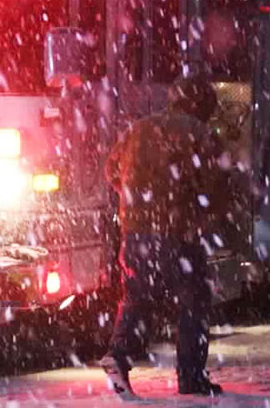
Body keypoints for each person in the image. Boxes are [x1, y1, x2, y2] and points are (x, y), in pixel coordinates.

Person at [101, 75, 226, 397]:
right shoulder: (199, 133)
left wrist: (135, 199)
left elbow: (111, 171)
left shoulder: (138, 128)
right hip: (177, 232)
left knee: (138, 297)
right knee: (194, 300)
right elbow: (212, 185)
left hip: (134, 233)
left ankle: (118, 355)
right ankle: (191, 376)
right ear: (201, 104)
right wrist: (203, 211)